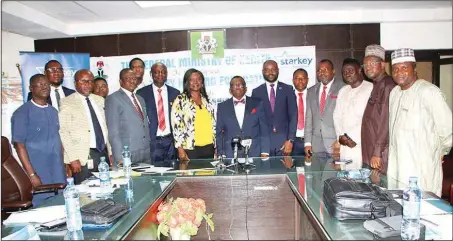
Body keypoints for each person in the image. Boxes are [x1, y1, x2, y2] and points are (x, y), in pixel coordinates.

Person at [387, 48, 452, 196]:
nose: (399, 72)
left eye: (405, 68)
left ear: (414, 69)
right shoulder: (394, 93)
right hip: (397, 166)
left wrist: (441, 151)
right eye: (395, 69)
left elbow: (448, 128)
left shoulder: (429, 91)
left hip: (421, 168)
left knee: (423, 210)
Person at [11, 74, 66, 206]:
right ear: (31, 88)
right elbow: (19, 146)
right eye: (40, 84)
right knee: (43, 208)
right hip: (39, 171)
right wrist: (31, 174)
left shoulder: (53, 111)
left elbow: (59, 139)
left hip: (58, 170)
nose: (44, 87)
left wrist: (65, 165)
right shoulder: (22, 113)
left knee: (62, 205)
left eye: (46, 84)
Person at [59, 70, 112, 184]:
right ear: (75, 83)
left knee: (106, 189)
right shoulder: (67, 102)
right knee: (86, 196)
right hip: (82, 157)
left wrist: (110, 152)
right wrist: (73, 158)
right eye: (84, 81)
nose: (88, 84)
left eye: (91, 81)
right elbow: (64, 132)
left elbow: (105, 128)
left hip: (103, 154)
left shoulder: (100, 100)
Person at [361, 44, 396, 174]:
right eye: (365, 64)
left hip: (380, 154)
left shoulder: (388, 85)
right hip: (371, 151)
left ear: (382, 65)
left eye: (372, 63)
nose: (368, 67)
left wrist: (377, 152)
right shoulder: (376, 84)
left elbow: (385, 121)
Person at [332, 58, 373, 169]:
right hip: (345, 145)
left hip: (361, 145)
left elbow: (369, 119)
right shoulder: (343, 91)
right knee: (346, 179)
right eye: (344, 72)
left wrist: (353, 139)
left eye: (350, 70)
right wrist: (341, 136)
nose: (347, 74)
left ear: (359, 70)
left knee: (362, 180)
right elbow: (337, 116)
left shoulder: (370, 88)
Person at [137, 63, 180, 167]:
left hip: (171, 141)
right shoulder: (141, 93)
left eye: (163, 72)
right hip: (153, 141)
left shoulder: (175, 93)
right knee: (154, 173)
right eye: (157, 72)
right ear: (151, 74)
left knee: (172, 172)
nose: (160, 74)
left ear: (167, 74)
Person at [105, 68, 151, 166]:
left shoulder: (140, 99)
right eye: (128, 78)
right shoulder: (113, 99)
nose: (132, 81)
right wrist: (119, 157)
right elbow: (113, 132)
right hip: (127, 154)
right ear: (121, 81)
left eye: (134, 78)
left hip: (145, 153)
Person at [251, 60, 297, 156]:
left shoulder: (288, 89)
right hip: (264, 144)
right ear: (263, 72)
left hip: (285, 143)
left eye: (273, 69)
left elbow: (293, 115)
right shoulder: (256, 92)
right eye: (267, 70)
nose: (270, 72)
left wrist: (290, 140)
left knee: (284, 170)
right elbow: (255, 121)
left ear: (278, 71)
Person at [216, 76, 270, 158]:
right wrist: (221, 153)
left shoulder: (257, 103)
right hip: (230, 152)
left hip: (254, 151)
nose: (238, 87)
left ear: (246, 88)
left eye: (241, 85)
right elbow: (219, 133)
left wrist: (265, 151)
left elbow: (264, 128)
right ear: (230, 90)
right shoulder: (222, 107)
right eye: (234, 85)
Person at [171, 68, 216, 160]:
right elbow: (176, 127)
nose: (196, 82)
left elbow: (214, 124)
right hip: (190, 149)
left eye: (199, 79)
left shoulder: (207, 100)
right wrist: (180, 149)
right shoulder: (180, 100)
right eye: (192, 79)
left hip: (209, 147)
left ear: (202, 82)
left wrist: (216, 146)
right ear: (187, 82)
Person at [305, 59, 344, 156]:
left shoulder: (343, 88)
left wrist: (341, 141)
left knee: (334, 171)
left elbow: (346, 118)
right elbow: (308, 118)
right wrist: (307, 143)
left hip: (335, 143)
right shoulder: (311, 91)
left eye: (325, 70)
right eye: (319, 70)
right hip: (315, 144)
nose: (322, 73)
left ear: (333, 71)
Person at [292, 68, 309, 156]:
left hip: (311, 141)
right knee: (292, 168)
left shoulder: (313, 95)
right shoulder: (288, 96)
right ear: (293, 80)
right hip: (293, 142)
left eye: (303, 78)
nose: (300, 80)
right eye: (297, 78)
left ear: (307, 80)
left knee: (312, 168)